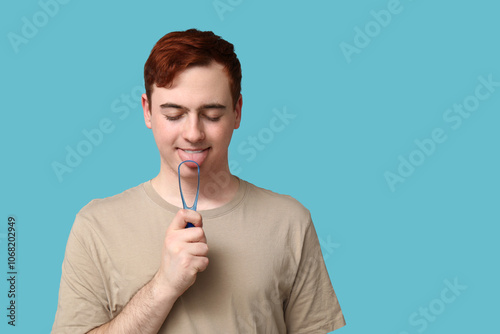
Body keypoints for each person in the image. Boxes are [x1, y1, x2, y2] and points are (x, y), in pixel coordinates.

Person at [52, 29, 346, 334]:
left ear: (237, 112)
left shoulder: (290, 222)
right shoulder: (95, 226)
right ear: (147, 111)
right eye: (174, 114)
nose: (193, 133)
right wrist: (163, 286)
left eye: (212, 114)